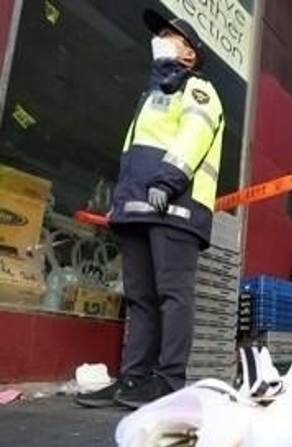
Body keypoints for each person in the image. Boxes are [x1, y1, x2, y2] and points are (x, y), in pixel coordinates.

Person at [76, 9, 224, 409]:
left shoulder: (197, 89)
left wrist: (167, 181)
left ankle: (168, 381)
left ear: (190, 54)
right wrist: (120, 207)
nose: (159, 38)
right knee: (140, 298)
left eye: (168, 34)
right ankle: (134, 379)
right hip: (139, 211)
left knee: (173, 294)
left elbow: (195, 136)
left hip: (175, 209)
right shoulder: (153, 93)